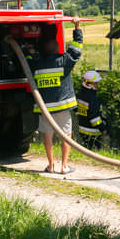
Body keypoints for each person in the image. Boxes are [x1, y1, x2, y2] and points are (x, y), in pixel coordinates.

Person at [27, 17, 82, 174]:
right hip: (62, 107)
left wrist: (30, 51)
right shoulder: (64, 60)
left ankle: (50, 166)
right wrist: (77, 27)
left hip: (45, 108)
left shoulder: (37, 63)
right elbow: (77, 48)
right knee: (66, 135)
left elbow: (27, 59)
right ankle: (64, 167)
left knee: (48, 135)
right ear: (57, 48)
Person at [76, 70, 107, 149]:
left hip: (82, 130)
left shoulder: (80, 94)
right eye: (96, 83)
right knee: (95, 154)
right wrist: (102, 129)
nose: (97, 85)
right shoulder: (92, 98)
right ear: (90, 84)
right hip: (92, 132)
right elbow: (94, 118)